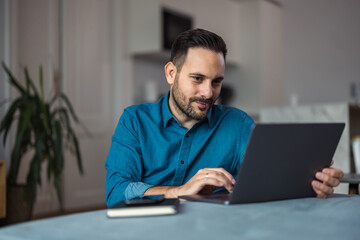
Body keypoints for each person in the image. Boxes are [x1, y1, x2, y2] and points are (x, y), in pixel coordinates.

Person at [105, 28, 344, 207]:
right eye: (197, 79)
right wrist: (181, 191)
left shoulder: (239, 124)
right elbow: (117, 191)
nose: (208, 93)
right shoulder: (135, 121)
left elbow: (265, 182)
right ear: (171, 73)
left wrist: (310, 185)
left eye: (216, 81)